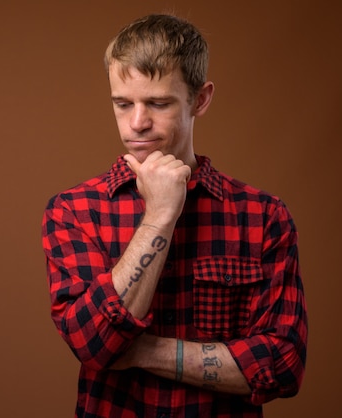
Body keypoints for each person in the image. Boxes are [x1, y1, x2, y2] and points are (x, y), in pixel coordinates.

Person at [41, 14, 307, 417]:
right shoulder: (74, 210)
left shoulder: (264, 216)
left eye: (158, 103)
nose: (137, 123)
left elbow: (283, 365)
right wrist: (160, 215)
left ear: (200, 99)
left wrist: (142, 349)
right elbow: (92, 343)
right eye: (122, 103)